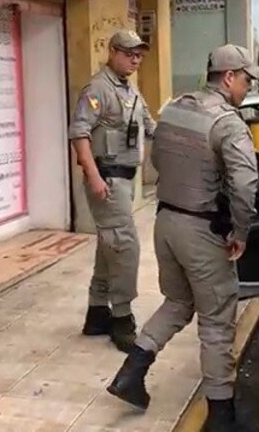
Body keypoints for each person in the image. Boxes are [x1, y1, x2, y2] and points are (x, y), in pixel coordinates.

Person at [106, 44, 259, 431]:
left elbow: (156, 160)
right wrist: (240, 231)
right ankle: (222, 417)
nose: (247, 88)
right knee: (216, 323)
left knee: (177, 302)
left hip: (166, 223)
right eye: (245, 80)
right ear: (228, 77)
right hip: (202, 231)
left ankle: (131, 373)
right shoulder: (228, 123)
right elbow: (245, 184)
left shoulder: (175, 108)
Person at [68, 29, 157, 352]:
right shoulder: (97, 89)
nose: (135, 59)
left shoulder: (130, 90)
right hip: (106, 178)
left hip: (124, 179)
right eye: (130, 53)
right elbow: (79, 133)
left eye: (139, 55)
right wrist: (92, 175)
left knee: (111, 244)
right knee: (125, 246)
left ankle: (96, 312)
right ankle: (121, 317)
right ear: (113, 52)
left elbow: (150, 126)